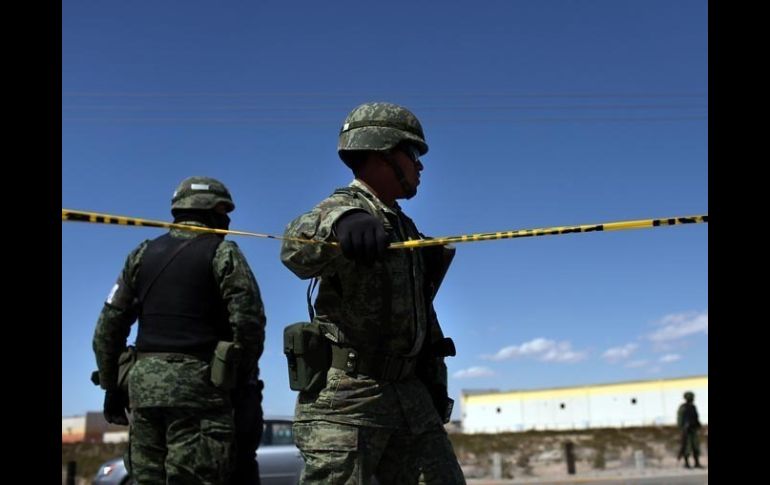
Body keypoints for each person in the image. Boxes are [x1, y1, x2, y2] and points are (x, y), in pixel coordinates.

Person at [280, 102, 466, 484]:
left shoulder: (403, 225)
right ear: (383, 153)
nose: (420, 166)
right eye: (413, 154)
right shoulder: (345, 209)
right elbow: (294, 247)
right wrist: (341, 222)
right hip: (349, 401)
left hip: (409, 399)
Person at [92, 176, 266, 485]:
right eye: (225, 213)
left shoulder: (142, 254)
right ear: (214, 210)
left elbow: (108, 328)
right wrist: (238, 377)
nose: (228, 221)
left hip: (144, 392)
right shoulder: (223, 253)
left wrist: (111, 386)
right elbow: (249, 322)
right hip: (200, 392)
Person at [677, 391, 704, 469]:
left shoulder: (693, 407)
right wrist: (682, 428)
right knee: (687, 447)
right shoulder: (683, 407)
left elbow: (696, 417)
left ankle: (697, 463)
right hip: (686, 431)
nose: (692, 399)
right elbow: (680, 419)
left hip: (693, 430)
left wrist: (698, 425)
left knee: (696, 447)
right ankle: (687, 463)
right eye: (691, 397)